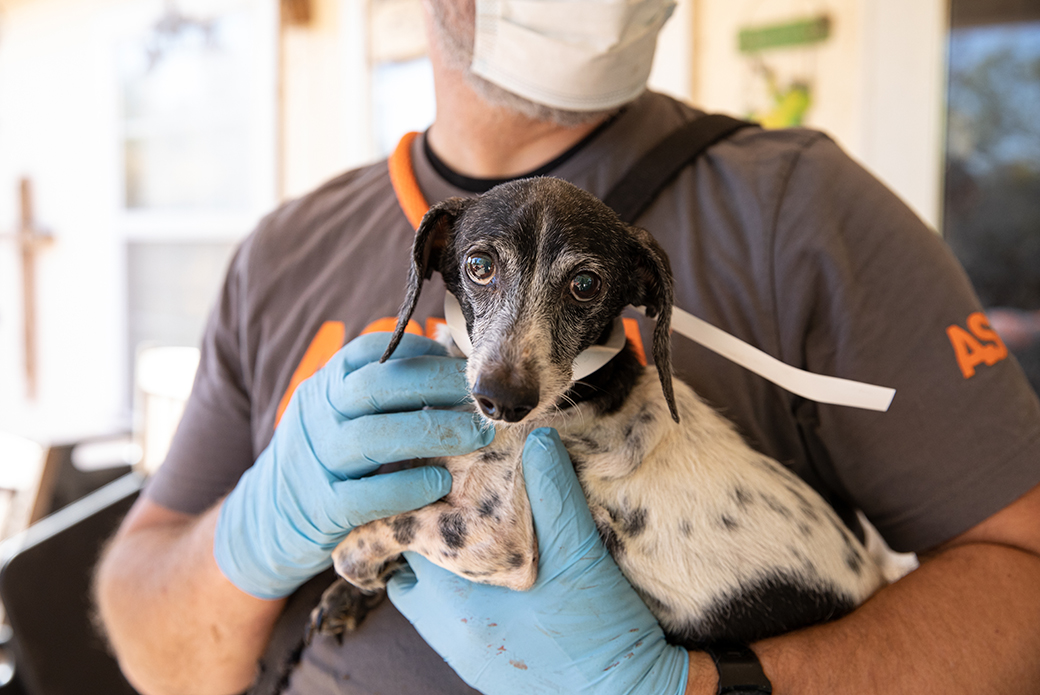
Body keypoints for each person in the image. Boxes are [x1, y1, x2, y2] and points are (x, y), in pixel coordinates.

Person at [93, 1, 1040, 693]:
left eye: (584, 287)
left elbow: (1025, 586)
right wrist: (260, 527)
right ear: (448, 267)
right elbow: (154, 646)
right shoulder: (279, 253)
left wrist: (706, 689)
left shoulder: (806, 209)